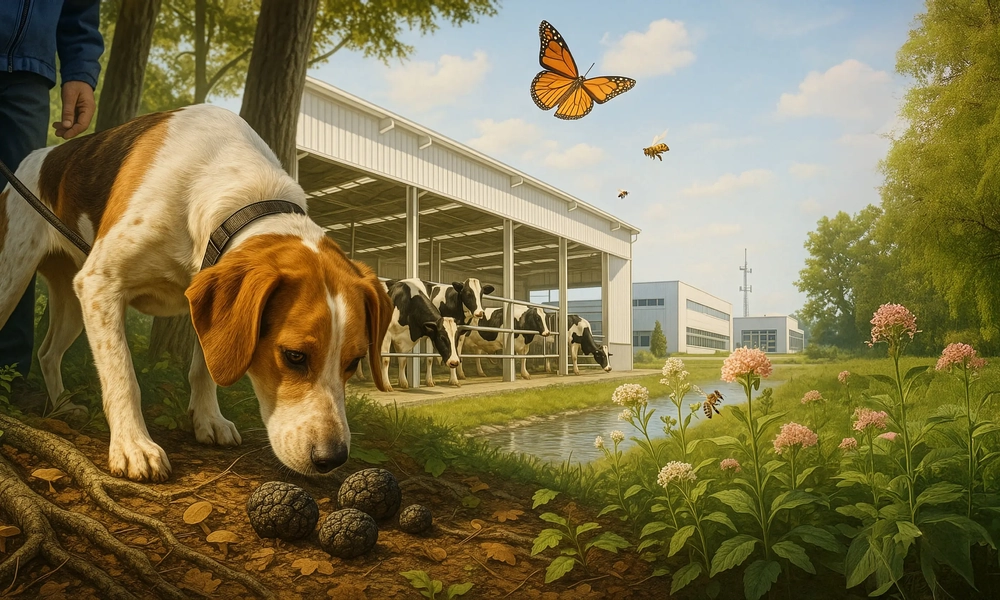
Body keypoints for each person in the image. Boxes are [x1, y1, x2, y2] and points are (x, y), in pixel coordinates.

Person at [0, 1, 104, 384]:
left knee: (21, 232)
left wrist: (80, 71)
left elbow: (80, 8)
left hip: (30, 76)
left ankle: (9, 375)